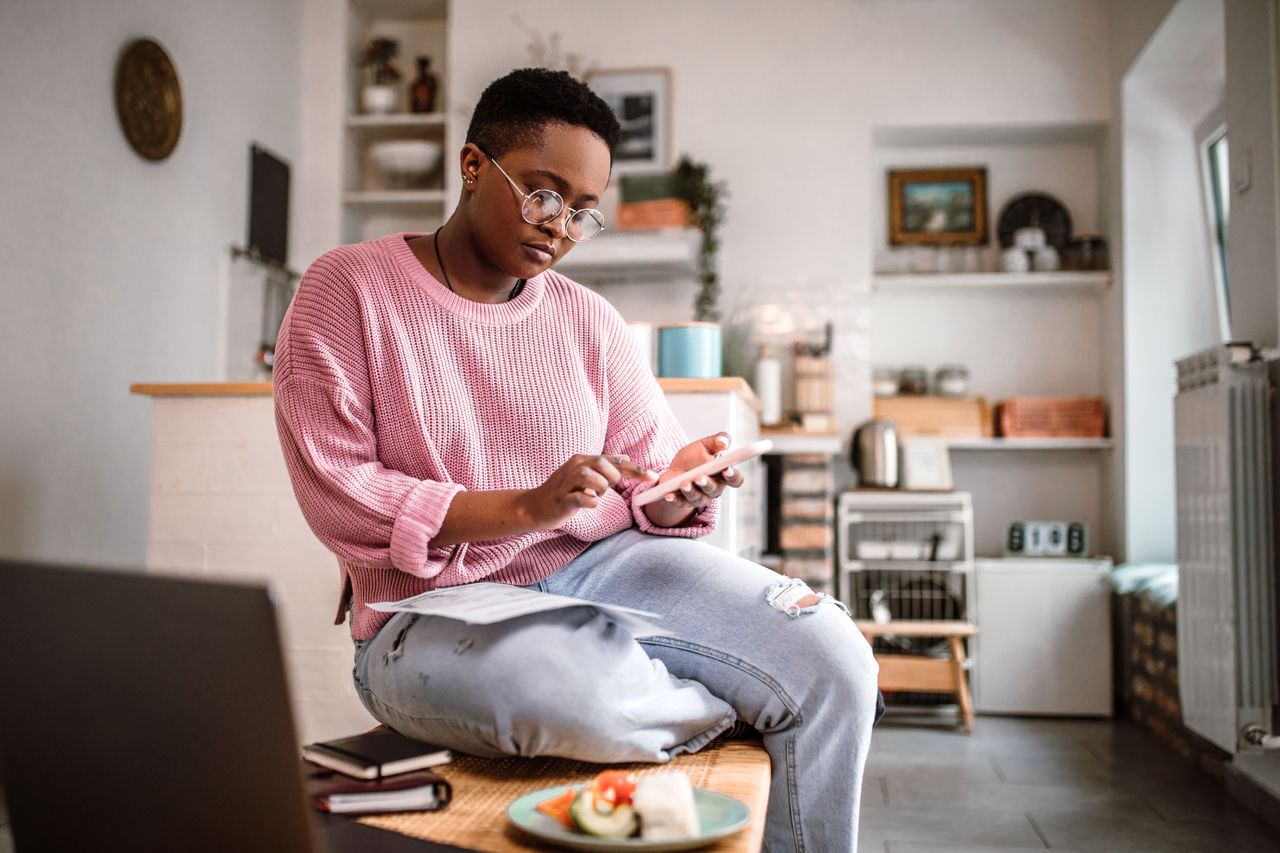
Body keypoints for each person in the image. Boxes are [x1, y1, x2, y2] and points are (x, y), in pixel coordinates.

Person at [273, 67, 879, 852]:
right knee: (558, 687)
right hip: (427, 610)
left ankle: (713, 697)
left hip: (605, 570)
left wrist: (675, 486)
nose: (560, 226)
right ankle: (739, 700)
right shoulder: (347, 288)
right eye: (543, 194)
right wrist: (524, 508)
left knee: (834, 659)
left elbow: (647, 485)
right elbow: (340, 491)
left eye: (583, 212)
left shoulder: (588, 318)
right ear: (471, 166)